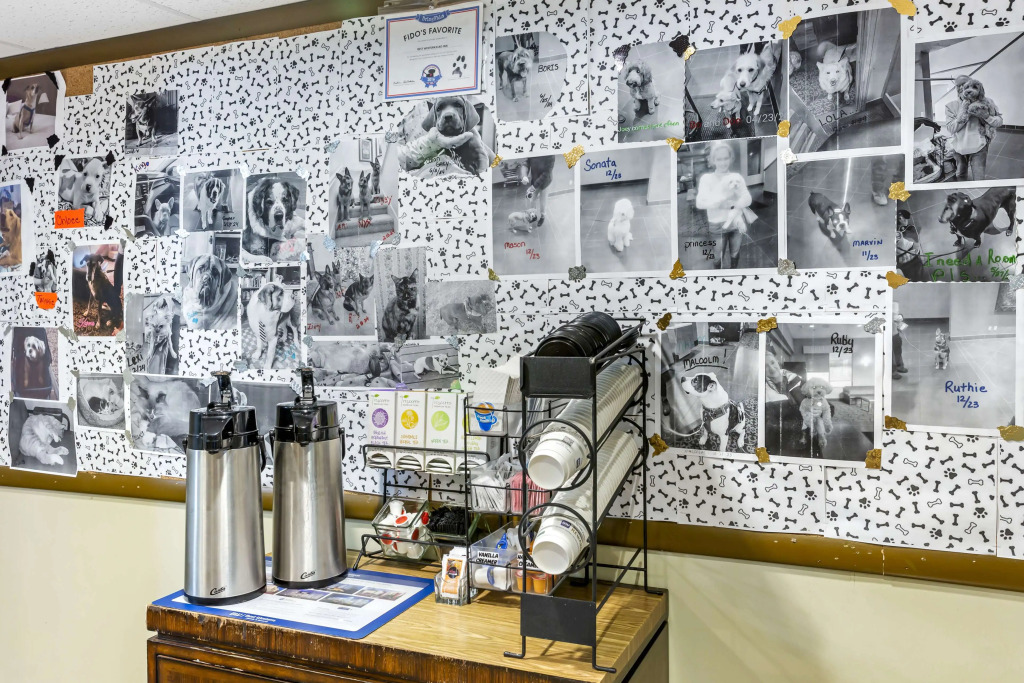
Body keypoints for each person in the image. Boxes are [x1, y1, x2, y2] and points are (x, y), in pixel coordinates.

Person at [694, 142, 754, 270]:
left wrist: (735, 203)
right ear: (713, 160)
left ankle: (733, 274)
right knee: (717, 256)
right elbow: (699, 203)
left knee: (735, 253)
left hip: (736, 223)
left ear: (731, 158)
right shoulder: (707, 179)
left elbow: (748, 198)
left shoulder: (736, 177)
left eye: (726, 158)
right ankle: (718, 276)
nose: (723, 163)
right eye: (719, 159)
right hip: (716, 225)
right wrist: (720, 204)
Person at [944, 75, 1002, 182]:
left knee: (979, 177)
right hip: (959, 148)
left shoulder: (988, 102)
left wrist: (986, 117)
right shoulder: (950, 106)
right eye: (958, 85)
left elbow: (999, 121)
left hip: (979, 147)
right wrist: (966, 112)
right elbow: (951, 129)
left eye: (964, 84)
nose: (962, 88)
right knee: (960, 174)